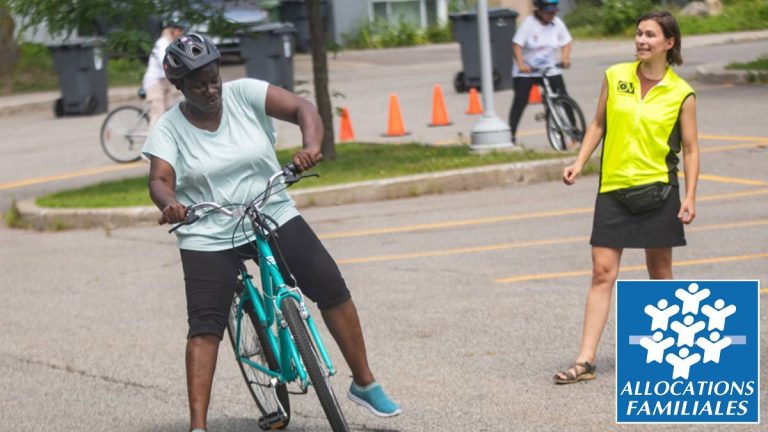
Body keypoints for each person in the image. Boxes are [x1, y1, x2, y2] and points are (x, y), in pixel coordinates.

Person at [141, 33, 401, 431]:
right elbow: (159, 178)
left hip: (270, 209)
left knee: (330, 286)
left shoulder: (245, 94)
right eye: (198, 85)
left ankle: (364, 382)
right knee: (205, 325)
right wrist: (171, 204)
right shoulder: (169, 129)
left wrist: (311, 144)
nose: (210, 90)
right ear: (179, 87)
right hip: (208, 229)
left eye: (213, 79)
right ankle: (198, 426)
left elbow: (302, 108)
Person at [554, 11, 700, 384]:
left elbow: (691, 148)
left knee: (660, 273)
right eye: (638, 34)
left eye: (650, 35)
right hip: (614, 189)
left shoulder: (681, 92)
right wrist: (579, 162)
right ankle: (585, 361)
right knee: (602, 273)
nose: (641, 40)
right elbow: (598, 124)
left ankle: (673, 355)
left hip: (659, 191)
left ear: (669, 43)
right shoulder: (615, 76)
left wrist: (691, 196)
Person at [508, 0, 572, 146]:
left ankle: (575, 133)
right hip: (527, 70)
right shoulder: (529, 24)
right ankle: (511, 134)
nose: (552, 14)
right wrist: (521, 65)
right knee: (520, 101)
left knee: (563, 97)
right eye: (548, 11)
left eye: (554, 11)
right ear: (540, 11)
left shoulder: (557, 23)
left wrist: (565, 59)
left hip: (549, 68)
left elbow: (566, 42)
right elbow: (516, 46)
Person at [142, 21, 185, 130]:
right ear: (172, 30)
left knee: (168, 114)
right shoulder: (163, 43)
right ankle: (153, 144)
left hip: (164, 81)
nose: (181, 33)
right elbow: (164, 62)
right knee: (158, 115)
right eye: (179, 30)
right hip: (154, 82)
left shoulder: (171, 43)